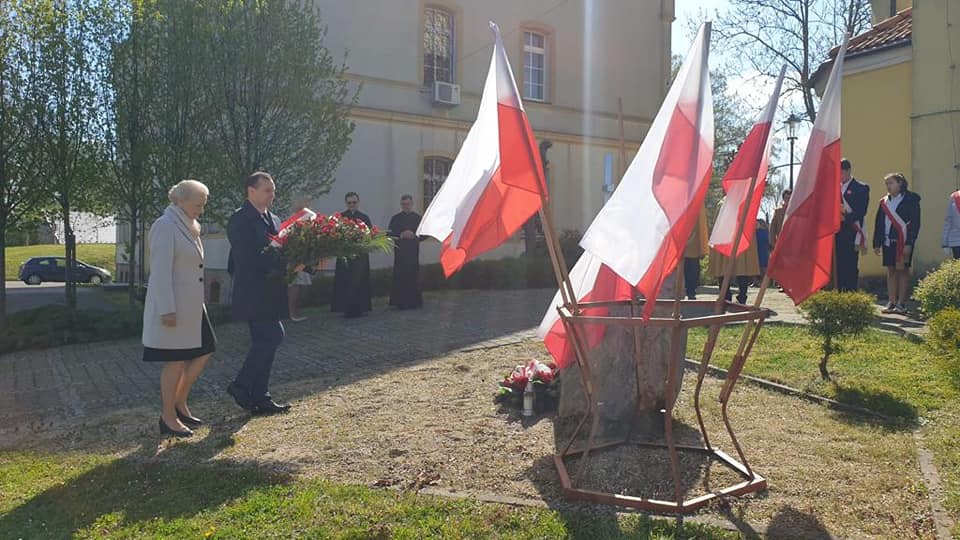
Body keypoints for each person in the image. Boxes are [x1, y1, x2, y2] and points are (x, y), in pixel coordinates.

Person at [142, 180, 215, 438]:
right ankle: (168, 417)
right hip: (174, 307)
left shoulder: (188, 225)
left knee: (205, 350)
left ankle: (179, 402)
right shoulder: (165, 226)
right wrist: (166, 310)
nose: (202, 210)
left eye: (203, 205)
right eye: (198, 204)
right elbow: (159, 272)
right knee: (175, 362)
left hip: (192, 306)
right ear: (180, 201)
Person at [226, 171, 294, 415]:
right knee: (273, 336)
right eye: (267, 190)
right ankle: (241, 385)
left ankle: (260, 395)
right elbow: (246, 258)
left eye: (273, 190)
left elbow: (283, 250)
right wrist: (273, 254)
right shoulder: (239, 220)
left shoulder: (274, 218)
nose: (272, 194)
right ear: (251, 191)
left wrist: (302, 261)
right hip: (253, 290)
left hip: (273, 290)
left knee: (266, 341)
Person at [873, 172, 921, 314]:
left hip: (904, 242)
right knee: (891, 270)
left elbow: (916, 223)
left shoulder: (911, 199)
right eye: (887, 184)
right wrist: (877, 242)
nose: (888, 186)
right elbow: (879, 223)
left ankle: (901, 303)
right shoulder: (884, 202)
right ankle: (892, 302)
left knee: (903, 270)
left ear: (900, 183)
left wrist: (910, 242)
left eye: (891, 183)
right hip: (888, 241)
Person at [708, 198, 760, 304]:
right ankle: (734, 295)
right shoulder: (737, 202)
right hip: (729, 239)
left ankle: (733, 296)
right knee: (737, 269)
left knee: (733, 269)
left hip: (733, 239)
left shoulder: (741, 202)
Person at [332, 192, 373, 318]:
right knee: (346, 281)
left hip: (360, 256)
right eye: (349, 203)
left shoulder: (364, 217)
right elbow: (335, 235)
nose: (352, 205)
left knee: (361, 282)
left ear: (358, 202)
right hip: (346, 256)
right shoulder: (341, 217)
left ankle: (362, 308)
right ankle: (346, 308)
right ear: (346, 203)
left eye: (354, 202)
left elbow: (370, 235)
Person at [836, 159, 870, 292]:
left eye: (841, 173)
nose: (839, 176)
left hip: (852, 230)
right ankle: (838, 292)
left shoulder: (861, 188)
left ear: (848, 170)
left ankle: (851, 293)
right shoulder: (833, 188)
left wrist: (845, 217)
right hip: (836, 231)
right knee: (838, 263)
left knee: (850, 263)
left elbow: (861, 211)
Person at [388, 194, 425, 309]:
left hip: (413, 251)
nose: (406, 206)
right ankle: (400, 302)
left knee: (413, 275)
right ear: (401, 205)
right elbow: (389, 234)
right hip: (400, 252)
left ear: (412, 204)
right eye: (403, 204)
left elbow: (424, 234)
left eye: (408, 204)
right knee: (400, 276)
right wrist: (401, 234)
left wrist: (414, 235)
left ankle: (414, 302)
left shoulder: (418, 218)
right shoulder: (395, 218)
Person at [682, 209, 709, 300]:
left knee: (692, 268)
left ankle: (691, 291)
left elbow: (702, 226)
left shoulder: (698, 203)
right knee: (687, 268)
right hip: (684, 241)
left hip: (693, 243)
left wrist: (702, 247)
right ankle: (688, 291)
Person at [942, 189, 960, 259]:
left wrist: (945, 243)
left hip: (956, 240)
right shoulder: (954, 197)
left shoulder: (954, 196)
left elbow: (948, 221)